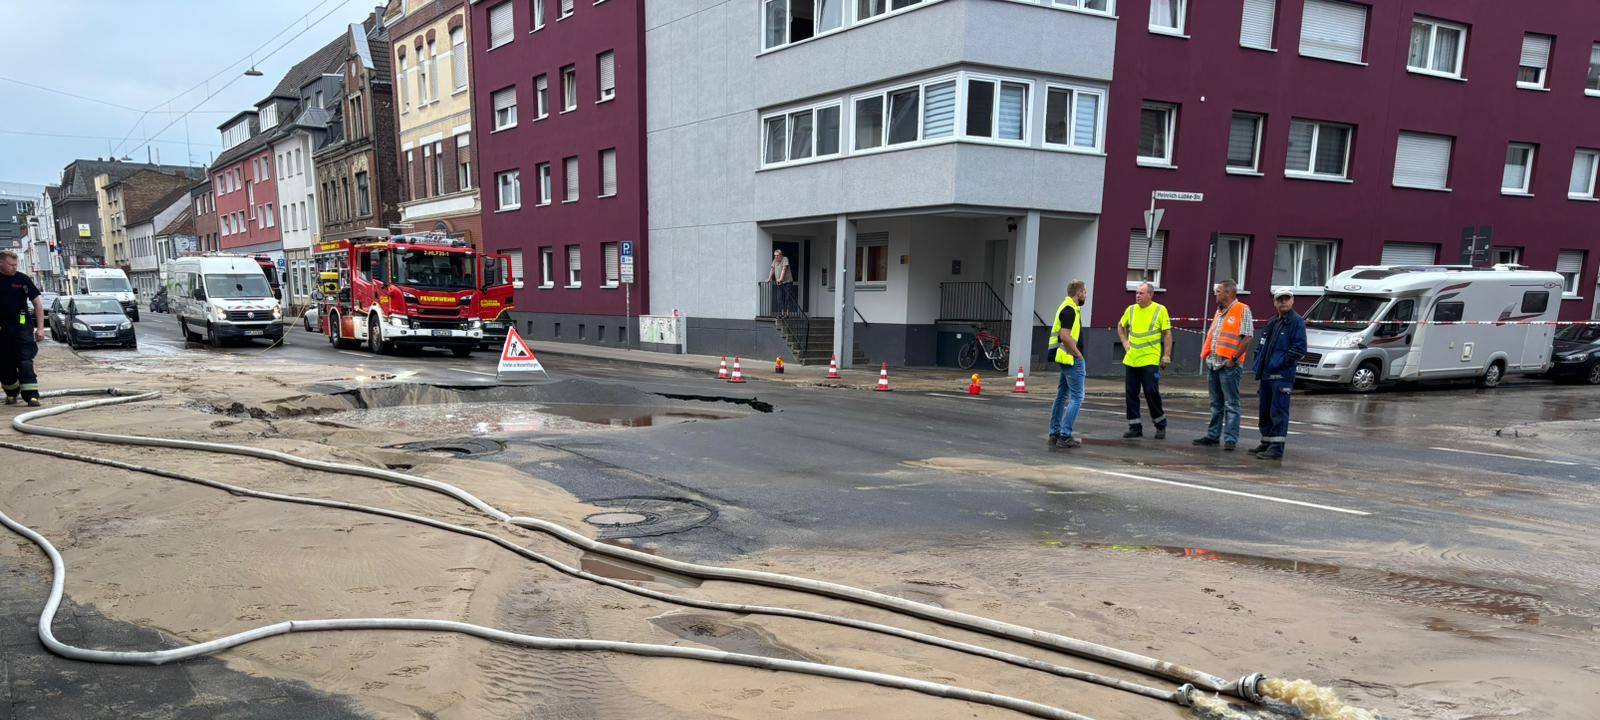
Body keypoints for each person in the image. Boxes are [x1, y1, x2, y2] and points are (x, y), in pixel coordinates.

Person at [1193, 279, 1253, 451]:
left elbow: (1247, 336)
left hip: (1229, 366)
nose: (1215, 294)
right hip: (1213, 363)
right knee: (1215, 403)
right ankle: (1213, 436)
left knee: (1231, 404)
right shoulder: (1219, 311)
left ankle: (1230, 439)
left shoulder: (1242, 309)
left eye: (1218, 291)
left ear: (1228, 292)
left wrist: (1233, 358)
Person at [1250, 289, 1307, 461]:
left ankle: (1276, 447)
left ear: (1292, 301)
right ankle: (1266, 442)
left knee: (1278, 412)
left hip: (1282, 377)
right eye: (1279, 299)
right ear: (1274, 302)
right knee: (1265, 412)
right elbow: (1262, 345)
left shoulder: (1296, 322)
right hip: (1267, 376)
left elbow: (1299, 349)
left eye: (1286, 299)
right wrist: (1258, 362)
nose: (1283, 302)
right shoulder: (1273, 322)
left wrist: (1279, 363)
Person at [1116, 281, 1172, 439]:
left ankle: (1160, 424)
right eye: (1136, 293)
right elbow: (1120, 326)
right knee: (1131, 393)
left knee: (1150, 391)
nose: (1137, 295)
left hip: (1150, 358)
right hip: (1132, 359)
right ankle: (1135, 427)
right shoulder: (1131, 310)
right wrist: (1125, 342)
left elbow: (1167, 334)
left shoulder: (1160, 310)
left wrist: (1166, 355)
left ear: (1150, 295)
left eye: (1141, 293)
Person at [0, 250, 46, 407]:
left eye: (15, 264)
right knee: (5, 364)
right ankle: (12, 392)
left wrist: (40, 329)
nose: (14, 267)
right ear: (1, 263)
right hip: (2, 329)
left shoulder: (23, 279)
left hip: (21, 326)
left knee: (25, 361)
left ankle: (32, 396)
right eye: (10, 264)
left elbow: (38, 305)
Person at [1048, 279, 1089, 450]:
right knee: (1077, 398)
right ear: (1078, 293)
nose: (1086, 295)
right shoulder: (1070, 310)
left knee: (1062, 395)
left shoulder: (1066, 307)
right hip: (1071, 360)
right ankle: (1065, 435)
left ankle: (1055, 433)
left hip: (1064, 359)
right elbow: (1065, 336)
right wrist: (1078, 354)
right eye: (1085, 292)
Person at [767, 248, 794, 316]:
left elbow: (784, 269)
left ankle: (787, 313)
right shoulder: (775, 261)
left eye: (777, 255)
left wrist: (780, 279)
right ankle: (781, 313)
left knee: (787, 298)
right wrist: (769, 278)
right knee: (779, 298)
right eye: (775, 255)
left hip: (787, 282)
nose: (776, 257)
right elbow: (772, 269)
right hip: (779, 283)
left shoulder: (785, 259)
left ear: (781, 255)